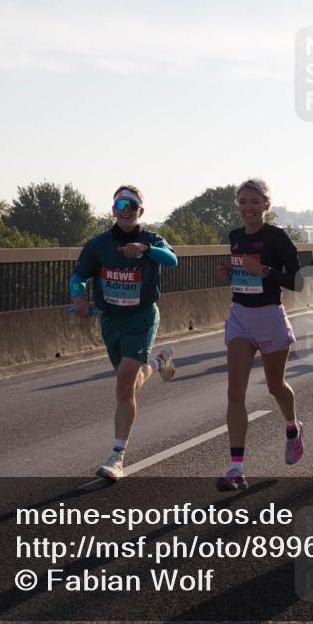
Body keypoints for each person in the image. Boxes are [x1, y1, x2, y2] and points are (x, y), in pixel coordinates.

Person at [71, 185, 178, 482]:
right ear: (113, 209)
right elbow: (79, 277)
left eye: (132, 204)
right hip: (110, 320)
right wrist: (78, 298)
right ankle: (159, 362)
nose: (126, 208)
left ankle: (117, 457)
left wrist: (146, 250)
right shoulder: (98, 244)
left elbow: (172, 260)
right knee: (128, 383)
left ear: (140, 211)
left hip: (142, 317)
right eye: (121, 203)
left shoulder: (151, 240)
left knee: (123, 383)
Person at [215, 178, 305, 491]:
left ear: (266, 205)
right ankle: (236, 468)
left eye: (254, 202)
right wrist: (232, 271)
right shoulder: (235, 236)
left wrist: (263, 270)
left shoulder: (277, 237)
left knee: (274, 385)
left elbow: (298, 281)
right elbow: (244, 271)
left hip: (269, 317)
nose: (248, 208)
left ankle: (293, 427)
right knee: (234, 391)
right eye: (242, 202)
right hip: (240, 316)